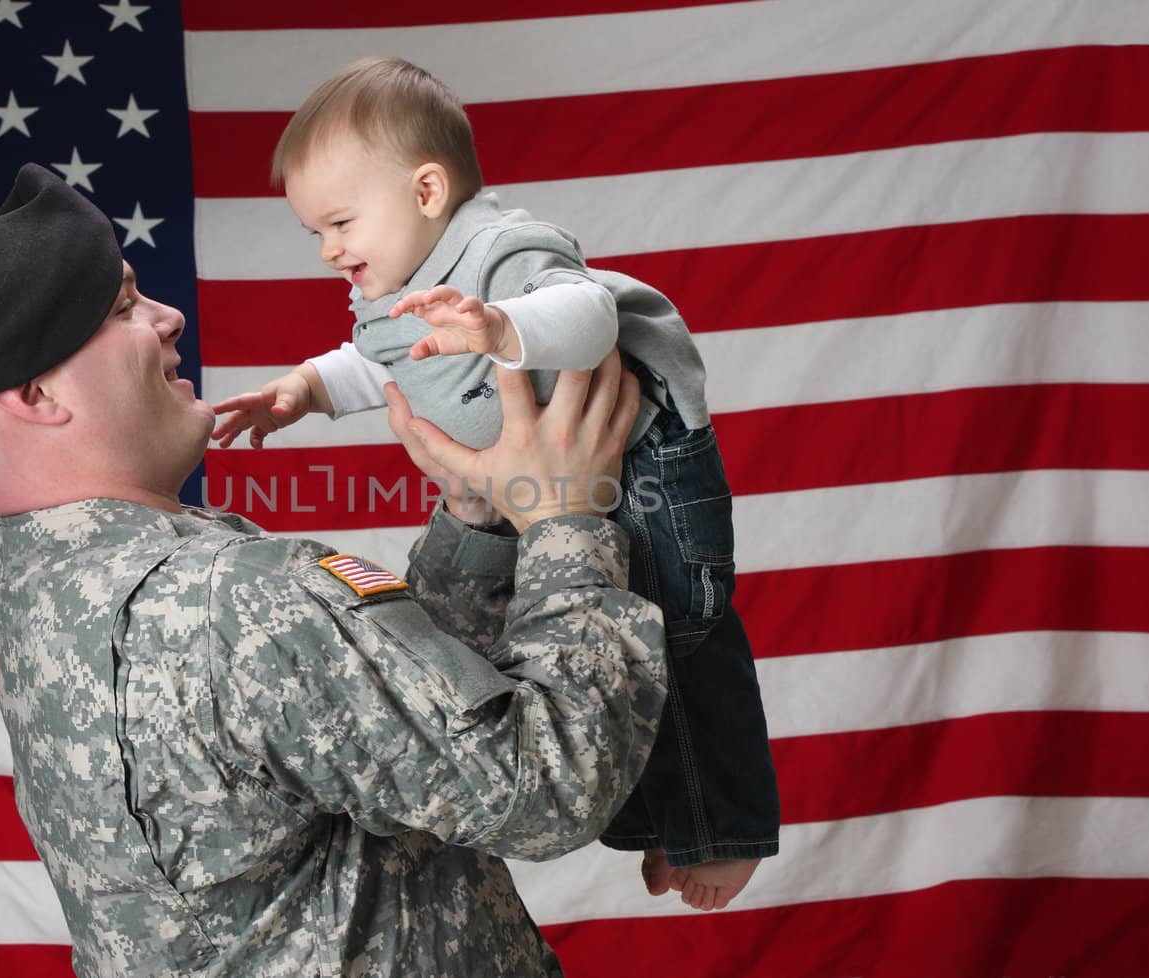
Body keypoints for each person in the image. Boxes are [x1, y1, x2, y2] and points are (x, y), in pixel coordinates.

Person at [0, 162, 668, 978]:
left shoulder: (49, 591)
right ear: (36, 395)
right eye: (122, 309)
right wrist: (566, 519)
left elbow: (383, 736)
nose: (169, 316)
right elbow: (548, 787)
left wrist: (477, 516)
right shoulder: (230, 598)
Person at [212, 55, 781, 910]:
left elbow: (587, 315)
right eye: (314, 234)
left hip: (647, 466)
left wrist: (501, 325)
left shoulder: (499, 251)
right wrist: (303, 391)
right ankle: (671, 822)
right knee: (593, 655)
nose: (329, 250)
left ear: (428, 191)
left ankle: (726, 831)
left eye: (339, 223)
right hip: (545, 499)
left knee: (680, 634)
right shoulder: (398, 293)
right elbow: (373, 363)